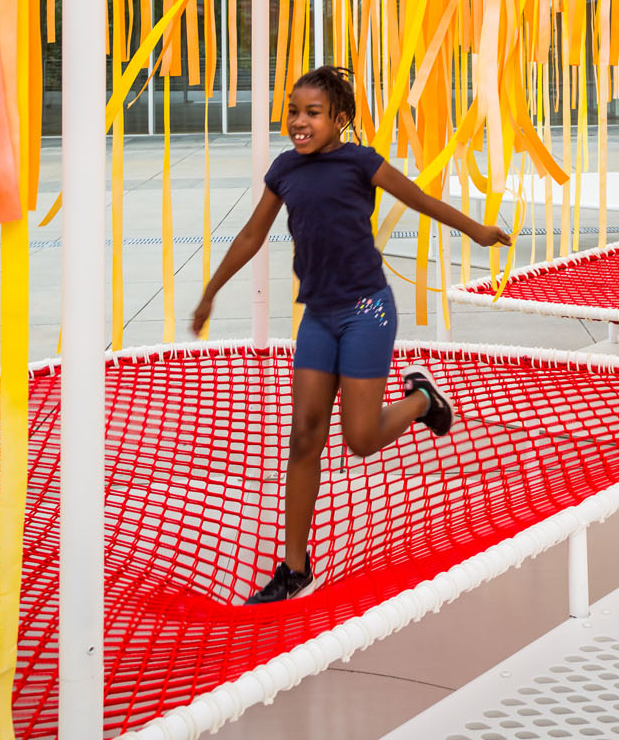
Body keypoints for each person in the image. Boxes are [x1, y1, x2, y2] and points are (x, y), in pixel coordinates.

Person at [191, 65, 511, 605]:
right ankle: (295, 566)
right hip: (317, 315)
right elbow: (252, 233)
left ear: (339, 119)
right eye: (293, 111)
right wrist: (211, 291)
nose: (298, 121)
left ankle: (420, 400)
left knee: (360, 441)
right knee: (303, 438)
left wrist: (475, 230)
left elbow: (420, 200)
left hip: (367, 311)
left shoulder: (360, 162)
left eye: (311, 113)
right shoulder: (284, 171)